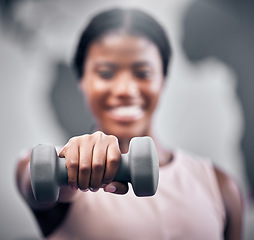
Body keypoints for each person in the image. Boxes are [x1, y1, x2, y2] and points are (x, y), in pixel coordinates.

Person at [16, 8, 243, 240]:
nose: (125, 90)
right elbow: (33, 178)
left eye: (143, 73)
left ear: (162, 81)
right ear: (82, 81)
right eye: (106, 73)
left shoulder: (219, 186)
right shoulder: (52, 168)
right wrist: (68, 168)